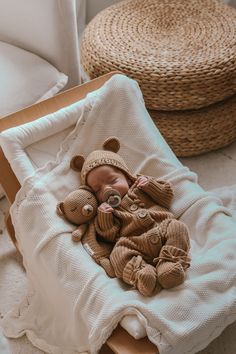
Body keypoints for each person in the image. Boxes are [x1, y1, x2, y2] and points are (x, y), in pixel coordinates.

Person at [70, 137, 191, 296]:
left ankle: (169, 264)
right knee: (117, 254)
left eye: (113, 180)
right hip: (134, 244)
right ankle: (142, 274)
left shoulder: (140, 187)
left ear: (127, 176)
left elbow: (166, 197)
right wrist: (104, 217)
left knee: (177, 227)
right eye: (98, 189)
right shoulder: (105, 210)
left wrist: (150, 185)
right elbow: (109, 236)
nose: (107, 189)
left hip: (160, 229)